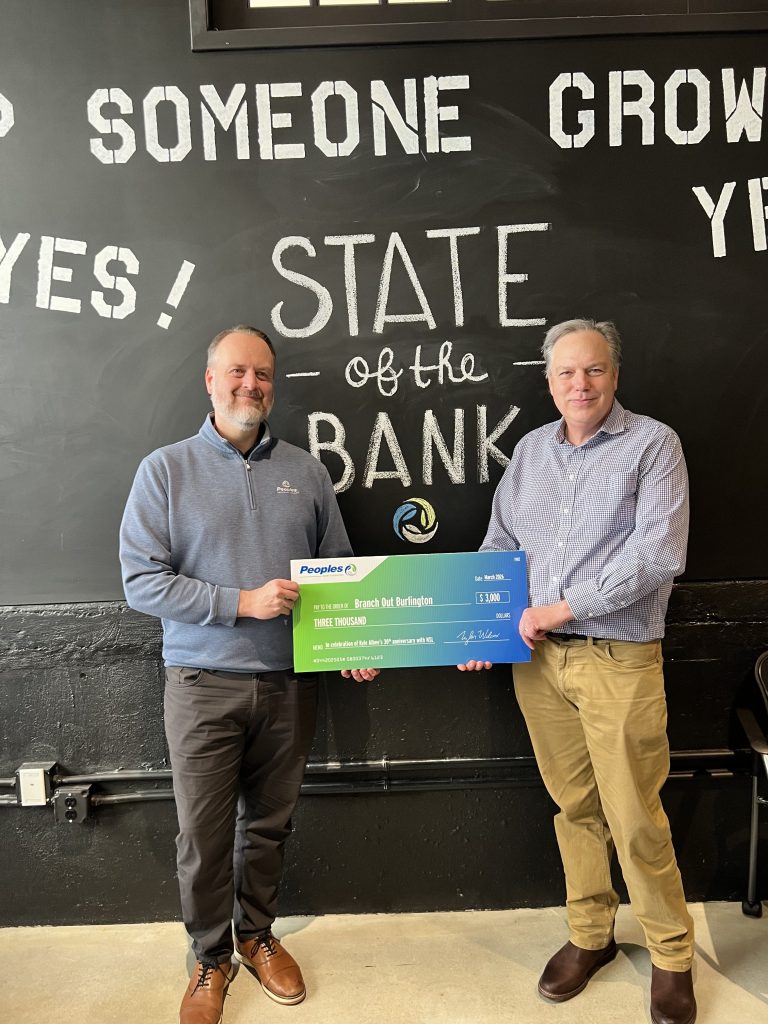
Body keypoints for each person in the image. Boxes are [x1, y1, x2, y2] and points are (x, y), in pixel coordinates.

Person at [119, 325, 378, 1024]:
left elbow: (336, 571)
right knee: (203, 837)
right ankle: (210, 958)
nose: (250, 385)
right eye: (236, 372)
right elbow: (142, 582)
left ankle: (256, 935)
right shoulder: (164, 471)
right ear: (210, 380)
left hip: (290, 685)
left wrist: (351, 638)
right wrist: (242, 603)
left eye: (262, 374)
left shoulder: (307, 472)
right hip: (202, 684)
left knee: (268, 826)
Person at [459, 319, 696, 1024]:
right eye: (566, 373)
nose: (580, 384)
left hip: (618, 659)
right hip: (539, 665)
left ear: (614, 375)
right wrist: (483, 623)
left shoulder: (654, 445)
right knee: (574, 808)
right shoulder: (531, 452)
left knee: (635, 815)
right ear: (549, 381)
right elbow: (500, 542)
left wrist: (559, 609)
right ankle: (591, 934)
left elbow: (657, 556)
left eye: (593, 370)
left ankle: (672, 953)